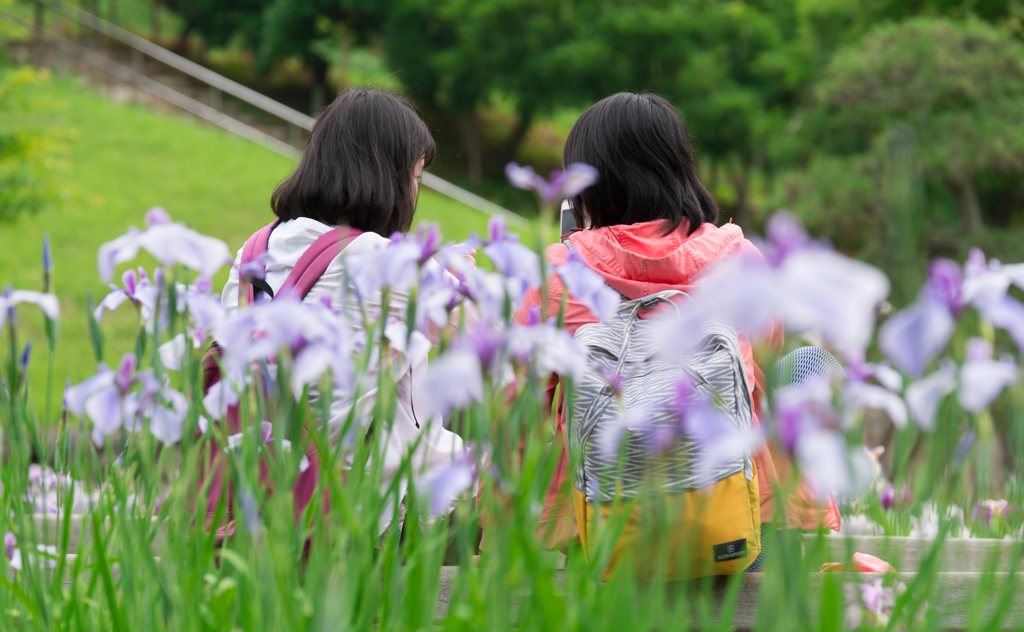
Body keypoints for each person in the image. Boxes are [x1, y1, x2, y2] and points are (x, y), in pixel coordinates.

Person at [516, 92, 839, 571]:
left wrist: (496, 528)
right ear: (681, 170)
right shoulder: (741, 260)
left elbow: (518, 410)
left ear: (586, 188)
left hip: (603, 535)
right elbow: (758, 383)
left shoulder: (556, 275)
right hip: (732, 528)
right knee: (808, 364)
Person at [218, 88, 464, 540]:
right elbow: (415, 421)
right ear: (388, 177)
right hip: (356, 512)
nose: (415, 191)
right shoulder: (391, 263)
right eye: (416, 176)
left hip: (258, 491)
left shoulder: (253, 251)